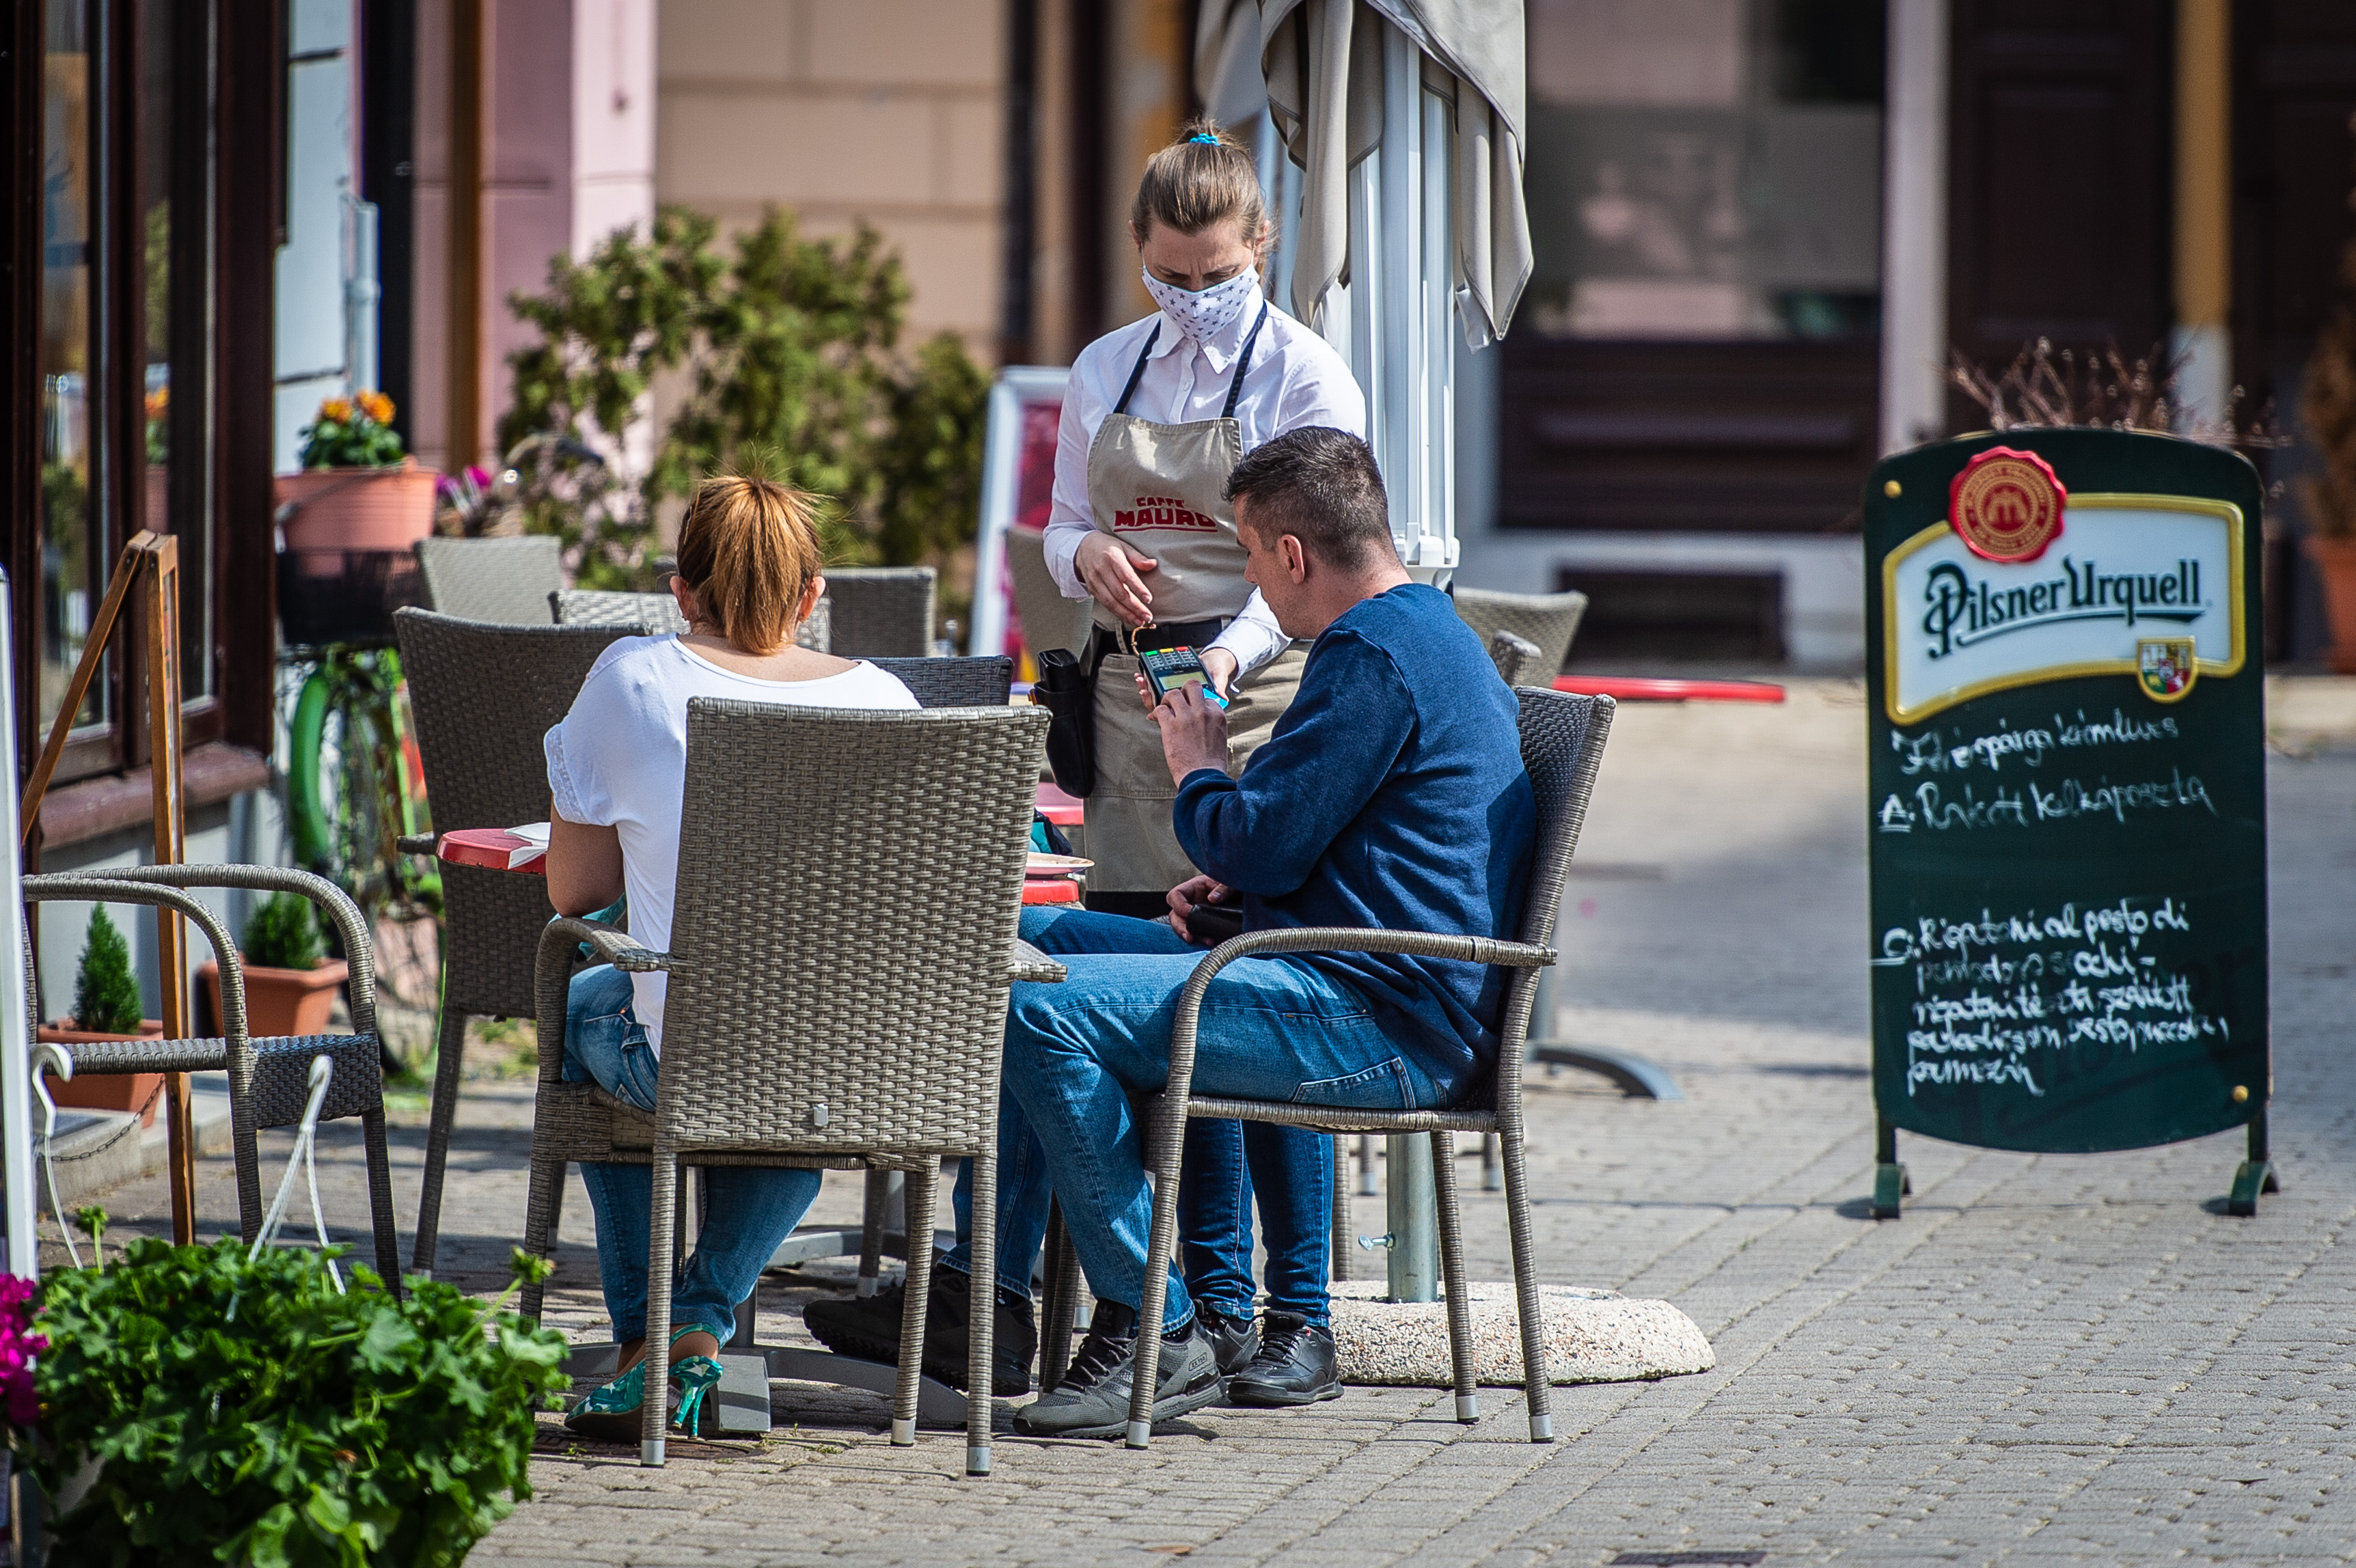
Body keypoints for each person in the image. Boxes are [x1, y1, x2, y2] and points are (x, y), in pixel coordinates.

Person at [805, 117, 1351, 1399]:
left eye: (1215, 275)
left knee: (1250, 985)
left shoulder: (1307, 376)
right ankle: (1196, 1308)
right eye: (1170, 274)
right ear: (1138, 255)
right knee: (1147, 1004)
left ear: (1260, 248)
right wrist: (1083, 561)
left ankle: (1298, 1311)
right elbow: (1055, 530)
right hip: (1122, 696)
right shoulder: (1109, 362)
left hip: (1256, 698)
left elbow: (1316, 558)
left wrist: (1228, 664)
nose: (1193, 296)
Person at [1006, 426, 1535, 1436]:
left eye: (1249, 553)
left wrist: (1200, 760)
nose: (1250, 575)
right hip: (1360, 978)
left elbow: (1253, 840)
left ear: (1293, 555)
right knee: (1051, 948)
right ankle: (1151, 1303)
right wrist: (1239, 903)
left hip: (1377, 1024)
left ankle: (1157, 1324)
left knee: (1036, 1013)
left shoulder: (1367, 658)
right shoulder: (1422, 632)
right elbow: (1320, 857)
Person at [543, 473, 919, 1442]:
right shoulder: (888, 699)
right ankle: (699, 1331)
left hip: (687, 1059)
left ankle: (647, 1345)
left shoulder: (633, 679)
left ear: (682, 589)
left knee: (593, 995)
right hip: (861, 1067)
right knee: (799, 1088)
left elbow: (574, 894)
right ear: (811, 595)